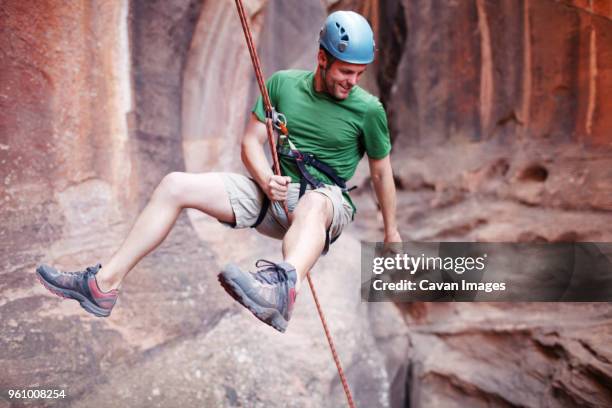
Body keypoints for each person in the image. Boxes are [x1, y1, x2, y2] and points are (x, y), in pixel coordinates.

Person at [36, 11, 401, 333]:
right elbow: (249, 143)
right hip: (275, 196)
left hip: (326, 205)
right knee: (174, 185)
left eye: (359, 73)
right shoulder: (283, 85)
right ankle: (103, 285)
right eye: (345, 71)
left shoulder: (368, 110)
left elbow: (382, 174)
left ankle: (281, 286)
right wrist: (265, 179)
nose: (352, 81)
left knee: (316, 205)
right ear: (322, 58)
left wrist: (391, 231)